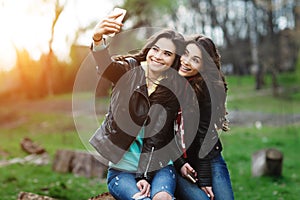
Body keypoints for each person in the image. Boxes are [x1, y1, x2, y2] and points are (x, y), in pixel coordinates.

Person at [89, 12, 186, 200]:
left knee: (162, 199)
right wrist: (97, 38)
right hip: (121, 171)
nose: (158, 56)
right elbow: (106, 67)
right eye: (155, 49)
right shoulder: (130, 70)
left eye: (167, 54)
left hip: (159, 168)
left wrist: (144, 176)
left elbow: (159, 137)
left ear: (174, 60)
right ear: (148, 49)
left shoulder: (173, 90)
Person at [174, 35, 234, 200]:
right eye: (185, 54)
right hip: (176, 160)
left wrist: (205, 179)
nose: (186, 61)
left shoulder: (206, 89)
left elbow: (204, 135)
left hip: (209, 156)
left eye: (195, 59)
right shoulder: (167, 81)